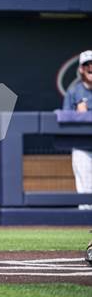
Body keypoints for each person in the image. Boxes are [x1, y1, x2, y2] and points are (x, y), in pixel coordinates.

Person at [62, 50, 92, 193]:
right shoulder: (73, 92)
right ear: (81, 69)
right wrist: (78, 115)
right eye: (87, 65)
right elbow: (64, 121)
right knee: (85, 191)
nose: (90, 68)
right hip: (82, 147)